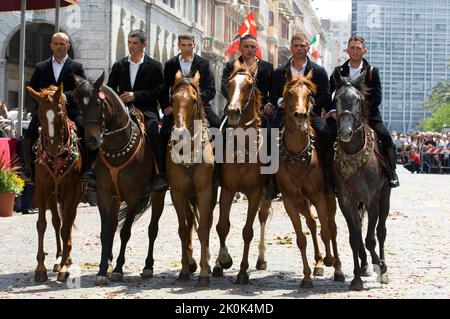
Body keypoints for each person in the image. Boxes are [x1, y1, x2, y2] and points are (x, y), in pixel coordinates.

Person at [23, 32, 95, 183]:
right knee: (29, 132)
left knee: (84, 129)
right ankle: (28, 169)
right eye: (56, 44)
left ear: (68, 46)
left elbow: (83, 89)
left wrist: (64, 97)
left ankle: (88, 170)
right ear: (51, 46)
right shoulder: (41, 66)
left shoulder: (76, 66)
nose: (59, 47)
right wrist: (43, 100)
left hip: (69, 111)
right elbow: (31, 88)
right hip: (46, 111)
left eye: (62, 44)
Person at [330, 35, 400, 188]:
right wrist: (333, 111)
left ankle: (391, 172)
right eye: (352, 48)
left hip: (369, 116)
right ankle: (329, 178)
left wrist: (361, 110)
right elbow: (330, 95)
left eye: (358, 48)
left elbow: (377, 97)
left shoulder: (372, 71)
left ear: (364, 51)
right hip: (342, 116)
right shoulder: (338, 72)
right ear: (347, 50)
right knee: (326, 135)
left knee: (386, 137)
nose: (355, 51)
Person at [270, 32, 335, 194]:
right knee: (269, 135)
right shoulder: (279, 72)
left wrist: (310, 106)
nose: (299, 48)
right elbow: (273, 94)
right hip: (285, 116)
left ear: (308, 47)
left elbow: (326, 96)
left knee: (326, 134)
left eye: (302, 46)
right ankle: (271, 182)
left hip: (312, 116)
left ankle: (329, 179)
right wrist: (281, 103)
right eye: (296, 46)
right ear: (291, 48)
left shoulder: (319, 72)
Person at [107, 30, 167, 190]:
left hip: (146, 110)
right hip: (122, 110)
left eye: (135, 43)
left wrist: (136, 95)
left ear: (144, 45)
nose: (131, 46)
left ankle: (159, 173)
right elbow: (110, 89)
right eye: (129, 42)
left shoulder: (154, 66)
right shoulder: (118, 66)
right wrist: (120, 98)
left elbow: (159, 90)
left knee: (154, 132)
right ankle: (93, 170)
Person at [159, 34, 220, 185]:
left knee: (218, 127)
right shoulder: (170, 64)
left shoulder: (204, 64)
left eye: (189, 45)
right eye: (183, 45)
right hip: (176, 108)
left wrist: (196, 101)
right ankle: (161, 173)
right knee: (162, 134)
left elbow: (211, 89)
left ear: (194, 45)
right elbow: (163, 89)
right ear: (179, 46)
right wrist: (166, 105)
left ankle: (218, 172)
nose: (186, 48)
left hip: (200, 107)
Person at [221, 34, 276, 199]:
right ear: (240, 48)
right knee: (220, 133)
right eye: (246, 46)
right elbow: (224, 85)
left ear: (257, 48)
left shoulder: (267, 67)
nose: (250, 50)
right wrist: (233, 100)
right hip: (235, 110)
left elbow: (273, 90)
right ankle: (218, 174)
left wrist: (271, 103)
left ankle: (270, 180)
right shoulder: (231, 66)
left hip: (260, 113)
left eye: (253, 47)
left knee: (271, 137)